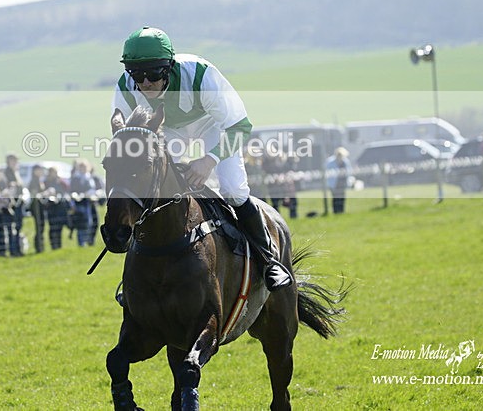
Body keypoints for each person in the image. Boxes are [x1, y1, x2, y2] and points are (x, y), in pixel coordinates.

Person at [111, 26, 292, 290]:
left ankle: (269, 262)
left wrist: (209, 160)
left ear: (169, 67)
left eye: (153, 73)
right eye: (137, 74)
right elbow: (126, 139)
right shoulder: (125, 89)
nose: (145, 82)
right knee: (152, 192)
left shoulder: (200, 75)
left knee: (232, 189)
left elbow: (240, 127)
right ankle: (137, 278)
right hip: (167, 130)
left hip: (214, 126)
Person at [70, 159, 98, 247]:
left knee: (93, 222)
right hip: (80, 203)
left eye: (85, 167)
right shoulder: (76, 178)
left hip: (91, 203)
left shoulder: (90, 177)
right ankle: (81, 244)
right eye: (81, 167)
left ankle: (90, 241)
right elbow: (72, 191)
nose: (83, 169)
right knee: (81, 224)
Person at [326, 147, 353, 214]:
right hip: (334, 183)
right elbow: (327, 173)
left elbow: (349, 172)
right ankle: (335, 211)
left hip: (342, 183)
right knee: (335, 198)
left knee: (342, 198)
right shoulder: (330, 162)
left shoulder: (345, 162)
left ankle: (341, 211)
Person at [28, 165, 46, 253]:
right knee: (39, 226)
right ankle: (38, 246)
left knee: (41, 226)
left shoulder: (39, 180)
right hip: (36, 207)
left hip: (40, 206)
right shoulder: (34, 181)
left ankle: (41, 245)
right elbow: (34, 194)